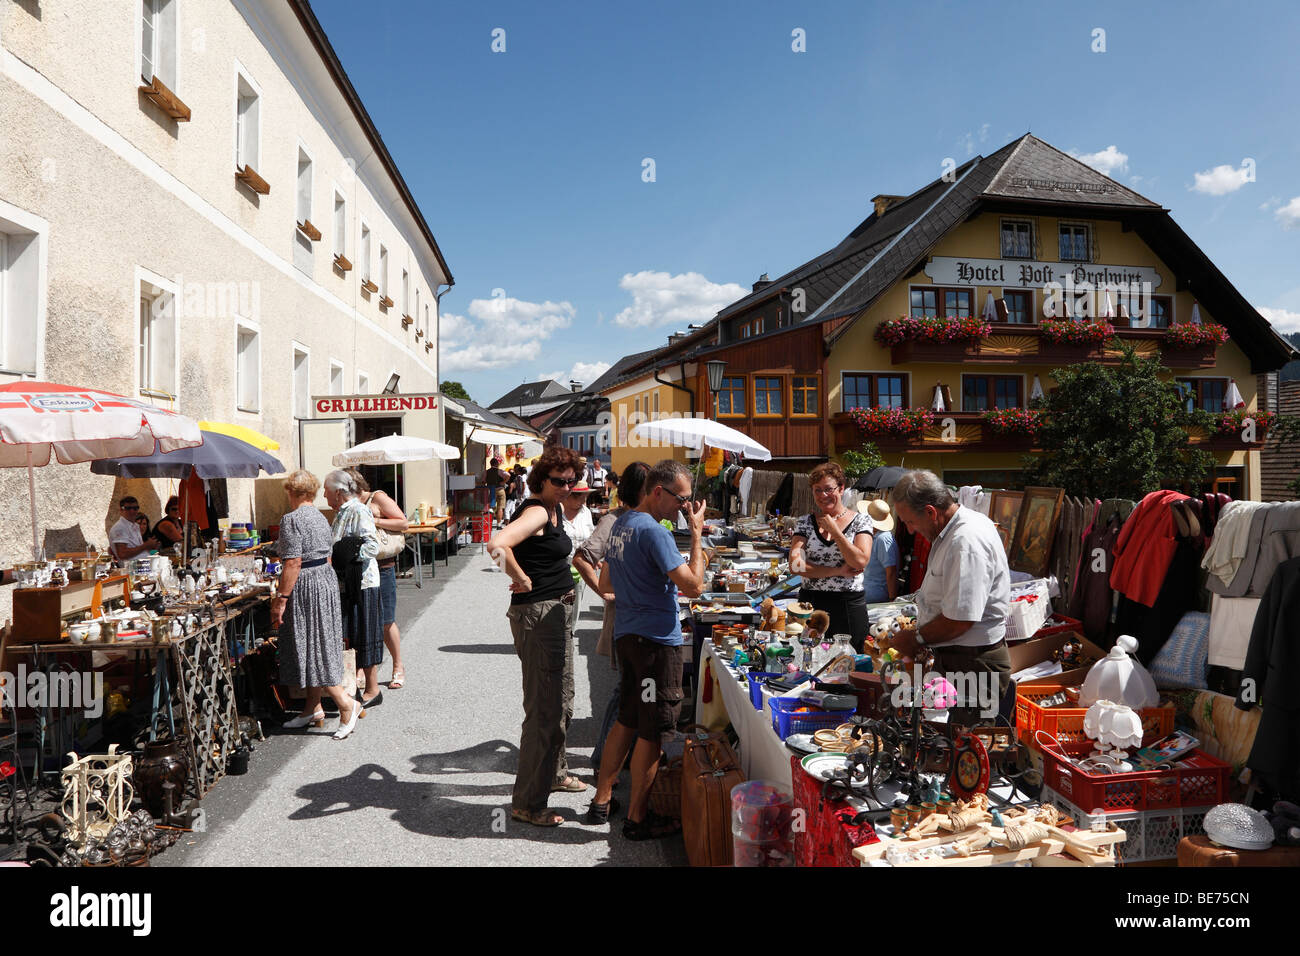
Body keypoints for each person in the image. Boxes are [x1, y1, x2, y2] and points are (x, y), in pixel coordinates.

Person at [588, 460, 707, 839]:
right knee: (652, 731)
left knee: (627, 719)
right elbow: (694, 588)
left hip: (629, 636)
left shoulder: (621, 522)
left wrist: (640, 585)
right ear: (658, 492)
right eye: (682, 500)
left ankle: (601, 800)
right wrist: (698, 535)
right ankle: (638, 819)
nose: (685, 507)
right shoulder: (656, 532)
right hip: (656, 643)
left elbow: (607, 580)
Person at [487, 445, 586, 827]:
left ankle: (555, 774)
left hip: (554, 616)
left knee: (562, 701)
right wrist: (519, 578)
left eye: (572, 480)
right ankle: (527, 803)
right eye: (559, 480)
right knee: (543, 710)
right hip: (540, 616)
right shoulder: (537, 510)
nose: (566, 486)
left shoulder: (555, 508)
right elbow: (495, 545)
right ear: (541, 479)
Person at [886, 469, 1012, 727]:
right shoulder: (953, 531)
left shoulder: (965, 540)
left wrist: (916, 638)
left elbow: (960, 620)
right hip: (960, 659)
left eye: (910, 522)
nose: (909, 531)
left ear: (931, 512)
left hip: (972, 665)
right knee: (946, 745)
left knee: (965, 749)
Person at [573, 461, 650, 790]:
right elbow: (582, 557)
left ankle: (614, 757)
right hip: (626, 620)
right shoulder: (613, 520)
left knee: (631, 690)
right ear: (644, 491)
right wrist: (606, 592)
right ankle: (605, 760)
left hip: (642, 619)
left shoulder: (646, 519)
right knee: (626, 690)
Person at [273, 470, 362, 740]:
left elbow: (292, 562)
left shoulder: (291, 519)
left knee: (312, 646)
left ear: (292, 491)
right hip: (324, 580)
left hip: (307, 584)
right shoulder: (321, 516)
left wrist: (281, 599)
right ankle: (313, 708)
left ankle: (347, 704)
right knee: (317, 642)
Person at [789, 462, 874, 651]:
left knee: (848, 663)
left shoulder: (861, 520)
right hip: (810, 604)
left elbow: (860, 560)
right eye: (817, 490)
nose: (823, 495)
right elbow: (796, 566)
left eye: (828, 489)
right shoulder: (804, 523)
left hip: (847, 604)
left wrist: (835, 531)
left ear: (841, 489)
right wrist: (837, 571)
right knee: (807, 659)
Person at [323, 469, 384, 709]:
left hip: (363, 583)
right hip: (349, 583)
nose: (325, 496)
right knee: (354, 633)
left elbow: (373, 546)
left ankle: (373, 689)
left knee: (365, 633)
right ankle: (356, 688)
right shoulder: (342, 512)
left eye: (326, 492)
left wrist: (347, 555)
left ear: (338, 492)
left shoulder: (358, 510)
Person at [346, 469, 411, 692]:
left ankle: (397, 665)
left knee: (386, 620)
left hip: (382, 566)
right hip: (359, 568)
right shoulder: (348, 504)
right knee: (362, 620)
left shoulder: (378, 497)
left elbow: (403, 523)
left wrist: (375, 520)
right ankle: (362, 670)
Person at [561, 478, 595, 629]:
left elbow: (592, 536)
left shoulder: (585, 512)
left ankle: (570, 634)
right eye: (581, 497)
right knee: (557, 605)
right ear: (569, 495)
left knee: (575, 604)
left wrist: (595, 557)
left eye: (585, 496)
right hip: (559, 566)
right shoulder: (555, 511)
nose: (584, 500)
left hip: (580, 566)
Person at [858, 498, 899, 603]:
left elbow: (891, 571)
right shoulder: (873, 536)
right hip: (867, 591)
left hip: (875, 595)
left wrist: (892, 599)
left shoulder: (883, 538)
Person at [108, 496, 159, 562]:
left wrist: (151, 546)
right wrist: (145, 545)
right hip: (133, 568)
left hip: (143, 564)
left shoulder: (135, 526)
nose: (132, 511)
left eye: (135, 508)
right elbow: (122, 554)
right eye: (128, 508)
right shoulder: (120, 527)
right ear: (121, 510)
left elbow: (139, 550)